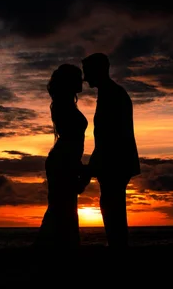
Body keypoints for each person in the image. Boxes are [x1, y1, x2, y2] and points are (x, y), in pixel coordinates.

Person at [79, 53, 141, 247]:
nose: (85, 78)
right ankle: (117, 247)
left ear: (99, 71)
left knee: (112, 207)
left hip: (115, 163)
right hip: (116, 163)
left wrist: (90, 169)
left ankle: (118, 249)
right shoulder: (110, 93)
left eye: (87, 73)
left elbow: (108, 138)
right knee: (111, 206)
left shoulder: (112, 95)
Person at [35, 64, 89, 247]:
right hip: (63, 160)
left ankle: (58, 249)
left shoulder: (64, 103)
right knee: (61, 209)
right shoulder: (63, 105)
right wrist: (78, 167)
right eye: (78, 77)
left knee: (62, 208)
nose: (82, 80)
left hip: (65, 159)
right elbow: (70, 140)